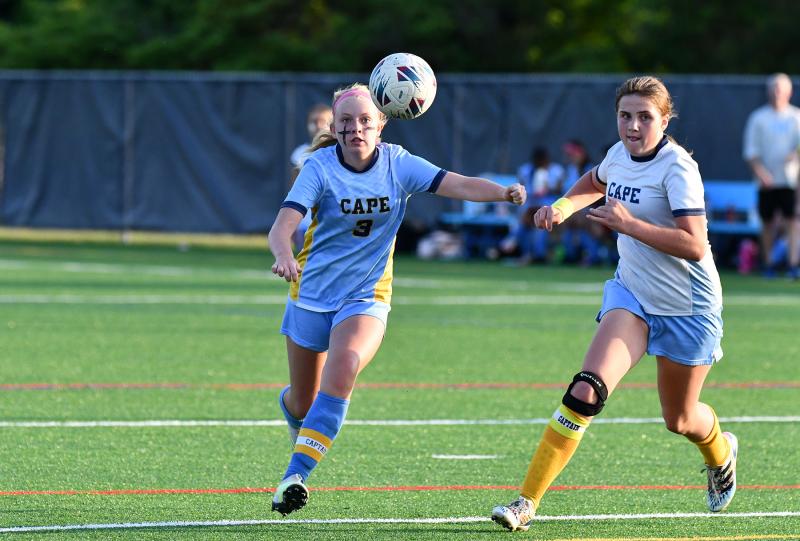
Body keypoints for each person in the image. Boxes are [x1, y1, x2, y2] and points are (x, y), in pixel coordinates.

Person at [491, 76, 737, 532]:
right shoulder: (618, 154)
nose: (633, 125)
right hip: (633, 296)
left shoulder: (677, 168)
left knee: (680, 419)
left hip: (688, 307)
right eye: (626, 115)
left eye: (645, 117)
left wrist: (628, 222)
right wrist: (563, 208)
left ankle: (721, 453)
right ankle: (526, 503)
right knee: (586, 389)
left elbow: (695, 244)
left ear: (664, 120)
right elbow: (593, 180)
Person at [268, 83, 526, 516]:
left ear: (383, 122)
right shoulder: (318, 167)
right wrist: (282, 256)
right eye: (346, 122)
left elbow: (455, 183)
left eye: (366, 120)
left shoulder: (399, 163)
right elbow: (283, 224)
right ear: (334, 126)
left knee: (345, 364)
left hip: (366, 296)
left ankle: (294, 477)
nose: (356, 129)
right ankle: (295, 413)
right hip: (311, 293)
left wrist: (502, 193)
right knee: (302, 401)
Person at [742, 73, 800, 279]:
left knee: (793, 221)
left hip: (790, 181)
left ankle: (793, 265)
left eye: (780, 88)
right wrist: (761, 173)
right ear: (768, 91)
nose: (776, 92)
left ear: (789, 92)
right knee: (767, 223)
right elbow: (750, 152)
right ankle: (769, 264)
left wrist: (795, 154)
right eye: (773, 88)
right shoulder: (758, 118)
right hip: (766, 182)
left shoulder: (796, 117)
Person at [289, 104, 334, 248]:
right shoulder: (300, 153)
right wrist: (292, 223)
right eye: (314, 122)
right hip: (306, 220)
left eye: (324, 121)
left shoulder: (340, 153)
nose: (318, 126)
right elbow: (294, 192)